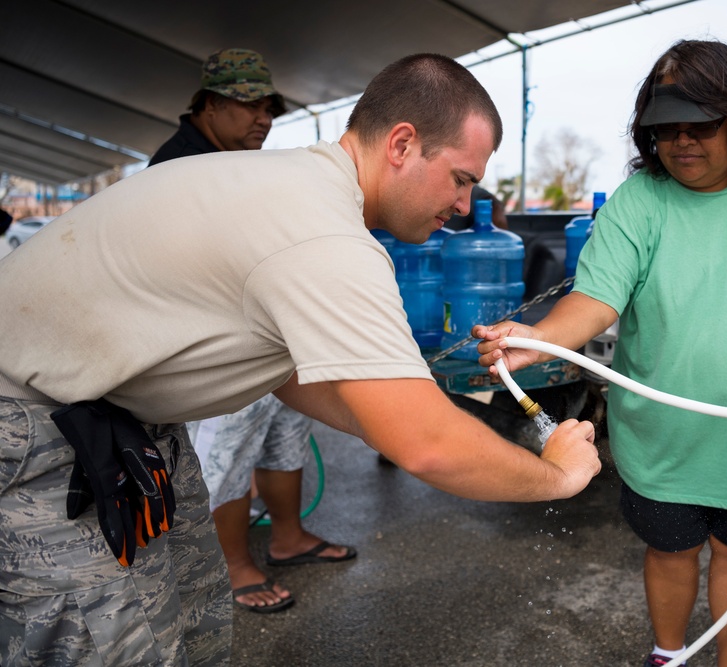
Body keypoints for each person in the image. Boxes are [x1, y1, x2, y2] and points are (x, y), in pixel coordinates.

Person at [0, 53, 600, 665]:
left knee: (189, 619)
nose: (465, 200)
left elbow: (293, 376)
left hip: (115, 413)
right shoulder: (323, 233)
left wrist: (394, 409)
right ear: (401, 143)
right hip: (34, 423)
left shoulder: (300, 188)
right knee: (100, 646)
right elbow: (427, 445)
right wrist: (555, 474)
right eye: (461, 177)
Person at [475, 40, 727, 667]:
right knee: (671, 552)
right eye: (665, 129)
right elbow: (597, 298)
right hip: (662, 442)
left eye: (701, 126)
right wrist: (539, 338)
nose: (682, 142)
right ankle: (668, 654)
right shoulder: (640, 202)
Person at [149, 47, 355, 615]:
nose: (262, 118)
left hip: (265, 336)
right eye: (248, 106)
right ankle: (232, 564)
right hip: (213, 346)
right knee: (226, 454)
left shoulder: (234, 161)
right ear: (210, 105)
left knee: (283, 435)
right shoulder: (177, 168)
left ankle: (288, 535)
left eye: (268, 107)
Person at [148, 47, 287, 165]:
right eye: (252, 105)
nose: (264, 121)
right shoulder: (185, 167)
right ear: (212, 104)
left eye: (270, 111)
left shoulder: (215, 161)